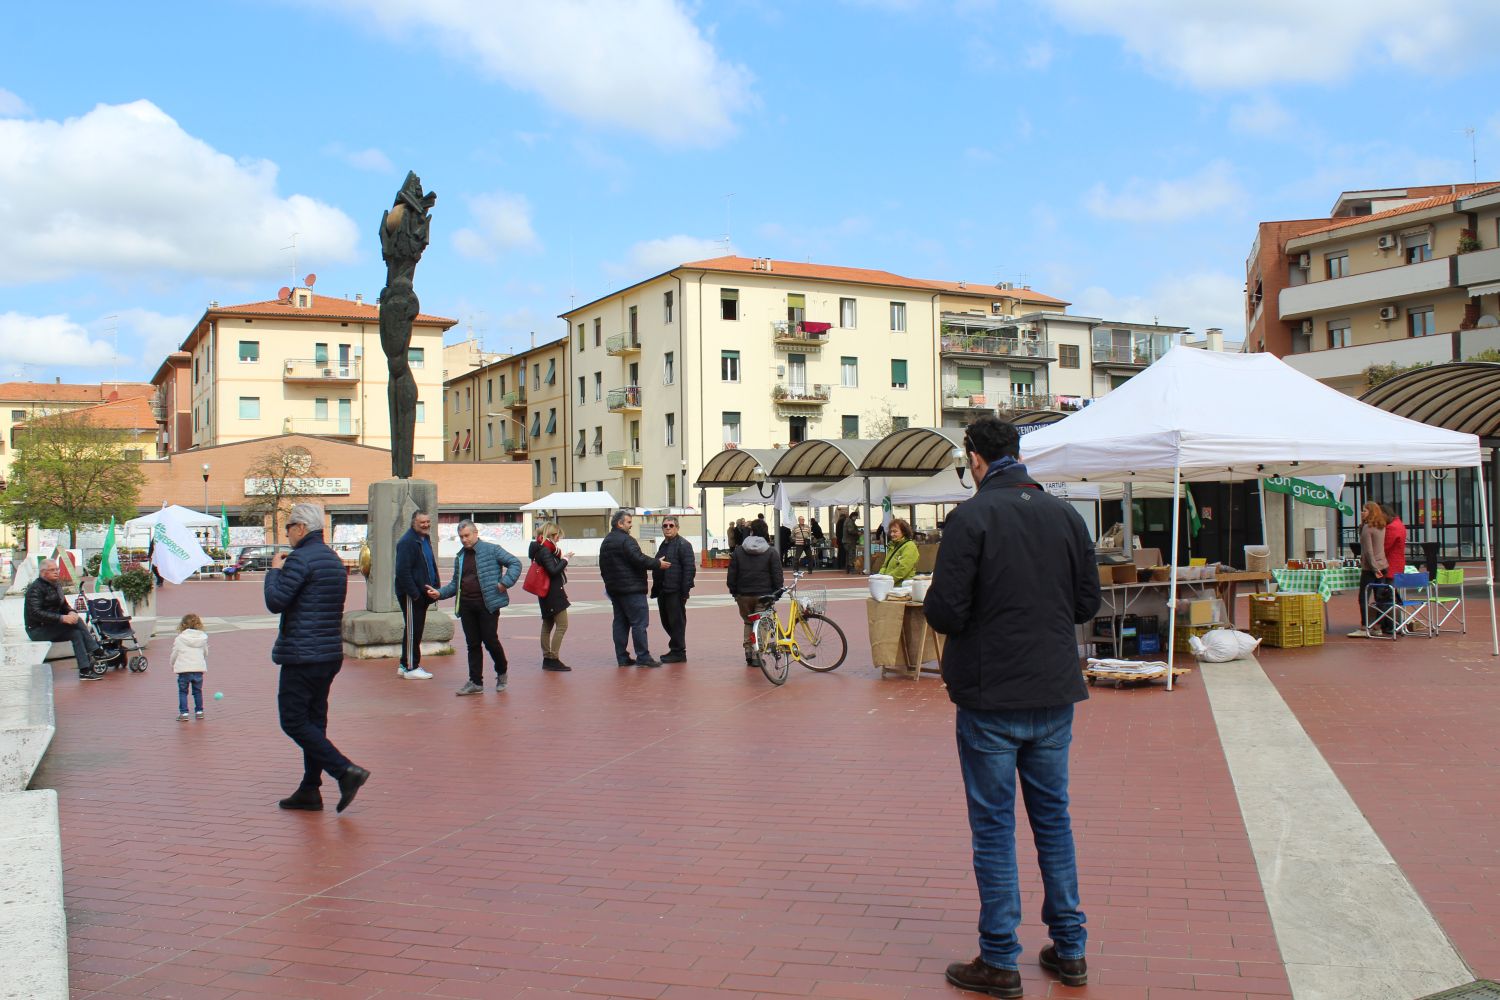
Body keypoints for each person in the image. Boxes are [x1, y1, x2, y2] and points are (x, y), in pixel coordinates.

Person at [923, 416, 1101, 997]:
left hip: (989, 694)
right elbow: (1086, 603)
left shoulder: (971, 518)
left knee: (994, 826)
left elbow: (945, 612)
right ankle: (1069, 948)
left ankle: (1000, 959)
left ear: (974, 457)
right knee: (1054, 819)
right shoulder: (1065, 515)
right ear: (1015, 453)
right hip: (1052, 689)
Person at [265, 503, 369, 813]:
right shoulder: (333, 560)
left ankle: (344, 771)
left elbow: (276, 601)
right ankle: (310, 789)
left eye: (288, 529)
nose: (287, 535)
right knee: (314, 721)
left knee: (293, 720)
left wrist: (273, 571)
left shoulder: (299, 560)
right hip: (328, 653)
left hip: (302, 653)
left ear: (299, 528)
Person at [438, 520, 522, 695]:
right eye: (461, 537)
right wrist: (439, 594)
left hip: (488, 605)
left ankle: (501, 670)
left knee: (490, 640)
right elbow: (455, 584)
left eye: (467, 536)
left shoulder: (492, 549)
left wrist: (505, 583)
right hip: (467, 606)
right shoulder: (460, 556)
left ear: (476, 533)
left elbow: (515, 563)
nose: (464, 540)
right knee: (473, 644)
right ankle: (476, 682)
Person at [598, 510, 669, 667]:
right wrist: (658, 564)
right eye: (629, 522)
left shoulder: (606, 541)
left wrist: (610, 584)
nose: (631, 525)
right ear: (620, 524)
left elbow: (603, 567)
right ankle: (643, 657)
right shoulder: (627, 540)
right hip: (632, 589)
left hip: (615, 590)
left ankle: (622, 657)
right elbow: (639, 559)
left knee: (620, 623)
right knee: (639, 623)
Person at [25, 559, 109, 680]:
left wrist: (71, 612)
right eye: (52, 570)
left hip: (52, 626)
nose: (56, 572)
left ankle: (84, 671)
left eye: (57, 569)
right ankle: (96, 650)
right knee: (78, 622)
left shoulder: (56, 585)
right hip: (37, 630)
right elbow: (35, 613)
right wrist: (61, 618)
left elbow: (64, 605)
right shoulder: (35, 589)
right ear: (43, 572)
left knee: (76, 633)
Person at [393, 511, 441, 680]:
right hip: (412, 594)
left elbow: (431, 563)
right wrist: (414, 595)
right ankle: (411, 667)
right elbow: (402, 572)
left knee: (414, 629)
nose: (426, 525)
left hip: (424, 592)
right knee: (414, 630)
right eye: (422, 522)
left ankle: (404, 663)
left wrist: (436, 584)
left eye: (428, 521)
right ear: (413, 522)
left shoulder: (425, 539)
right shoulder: (407, 542)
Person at [728, 531, 783, 667]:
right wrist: (777, 593)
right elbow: (777, 574)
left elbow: (731, 575)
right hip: (764, 595)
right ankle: (757, 655)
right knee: (762, 624)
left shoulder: (738, 551)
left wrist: (734, 592)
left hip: (743, 595)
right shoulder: (771, 552)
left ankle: (748, 651)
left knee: (748, 622)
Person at [651, 517, 697, 662]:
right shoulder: (663, 545)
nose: (668, 528)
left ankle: (678, 651)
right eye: (665, 526)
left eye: (671, 525)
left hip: (675, 590)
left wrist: (685, 592)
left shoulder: (684, 544)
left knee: (676, 621)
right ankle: (676, 647)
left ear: (677, 527)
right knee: (666, 621)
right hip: (662, 590)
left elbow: (689, 569)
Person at [536, 522, 573, 671]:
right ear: (552, 535)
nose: (559, 540)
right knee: (562, 625)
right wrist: (565, 559)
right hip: (553, 593)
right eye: (558, 536)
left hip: (545, 593)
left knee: (547, 625)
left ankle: (547, 657)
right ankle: (553, 657)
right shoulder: (546, 550)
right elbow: (553, 571)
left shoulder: (541, 548)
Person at [1348, 501, 1389, 639]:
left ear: (1370, 512)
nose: (1362, 513)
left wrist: (1373, 568)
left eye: (1364, 510)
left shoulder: (1367, 528)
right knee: (1380, 598)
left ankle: (1365, 626)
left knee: (1363, 597)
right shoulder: (1381, 526)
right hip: (1383, 564)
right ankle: (1378, 626)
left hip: (1370, 568)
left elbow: (1368, 551)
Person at [170, 613, 209, 721]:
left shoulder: (180, 639)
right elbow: (206, 652)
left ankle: (184, 713)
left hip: (184, 669)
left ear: (182, 625)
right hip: (198, 669)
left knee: (183, 691)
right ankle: (199, 711)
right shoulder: (203, 638)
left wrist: (172, 663)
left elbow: (175, 653)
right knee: (197, 691)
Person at [882, 518, 919, 585]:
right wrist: (880, 577)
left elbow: (903, 568)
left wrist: (887, 580)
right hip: (890, 585)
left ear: (904, 532)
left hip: (902, 587)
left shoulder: (909, 546)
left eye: (895, 531)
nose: (892, 534)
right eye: (891, 531)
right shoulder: (892, 546)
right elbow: (885, 565)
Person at [841, 509, 861, 574]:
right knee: (851, 555)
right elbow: (850, 530)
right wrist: (857, 533)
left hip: (846, 541)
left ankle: (848, 569)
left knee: (848, 556)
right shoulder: (850, 521)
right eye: (856, 517)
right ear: (853, 516)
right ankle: (851, 569)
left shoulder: (847, 521)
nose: (856, 519)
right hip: (849, 541)